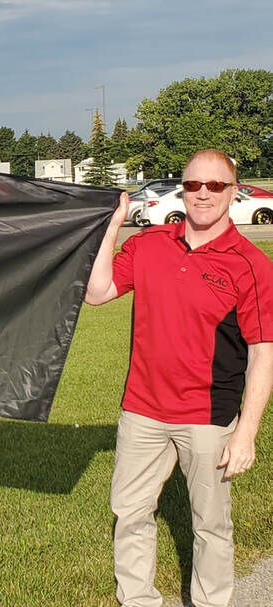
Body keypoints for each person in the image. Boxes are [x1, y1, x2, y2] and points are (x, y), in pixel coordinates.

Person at [85, 149, 273, 607]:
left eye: (215, 186)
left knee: (210, 524)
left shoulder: (251, 264)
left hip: (208, 416)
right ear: (181, 189)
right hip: (141, 411)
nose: (202, 194)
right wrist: (112, 226)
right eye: (193, 185)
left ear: (234, 192)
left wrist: (246, 432)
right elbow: (96, 293)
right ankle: (138, 600)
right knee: (130, 514)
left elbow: (263, 352)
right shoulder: (149, 244)